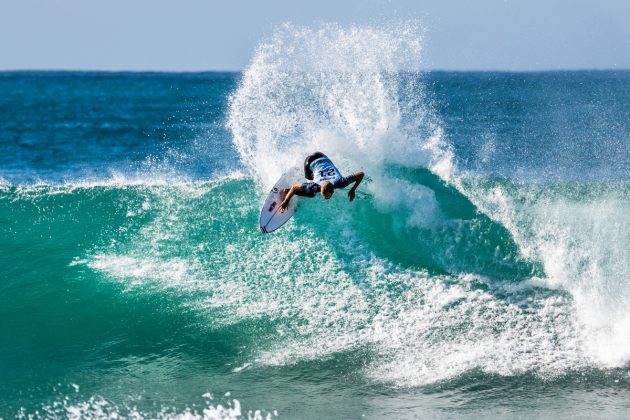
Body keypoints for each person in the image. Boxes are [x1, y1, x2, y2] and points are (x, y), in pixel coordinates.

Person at [279, 152, 365, 212]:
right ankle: (285, 191)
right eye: (324, 196)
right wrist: (286, 201)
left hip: (321, 156)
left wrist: (353, 189)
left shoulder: (341, 182)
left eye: (326, 196)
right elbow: (294, 187)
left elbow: (361, 174)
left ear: (333, 190)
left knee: (310, 186)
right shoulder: (315, 186)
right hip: (310, 162)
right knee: (311, 194)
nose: (324, 198)